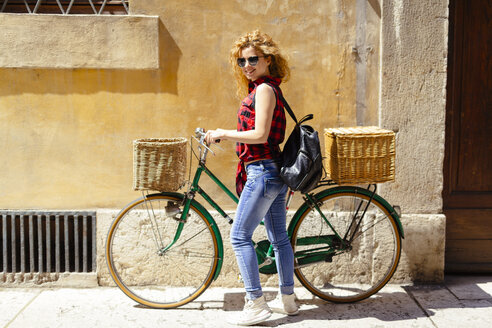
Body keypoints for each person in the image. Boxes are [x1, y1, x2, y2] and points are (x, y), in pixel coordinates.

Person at [205, 30, 299, 326]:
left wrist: (222, 133)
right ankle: (288, 299)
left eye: (253, 59)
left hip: (262, 172)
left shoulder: (264, 91)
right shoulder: (266, 88)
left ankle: (256, 303)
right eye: (241, 60)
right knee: (279, 238)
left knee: (239, 236)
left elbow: (259, 134)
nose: (246, 65)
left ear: (268, 59)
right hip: (270, 171)